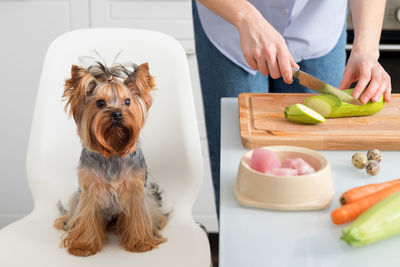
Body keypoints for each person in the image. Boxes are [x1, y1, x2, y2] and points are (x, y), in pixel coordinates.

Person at [192, 0, 392, 214]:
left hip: (317, 21)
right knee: (238, 180)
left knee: (318, 184)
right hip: (229, 20)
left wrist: (367, 48)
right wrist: (244, 16)